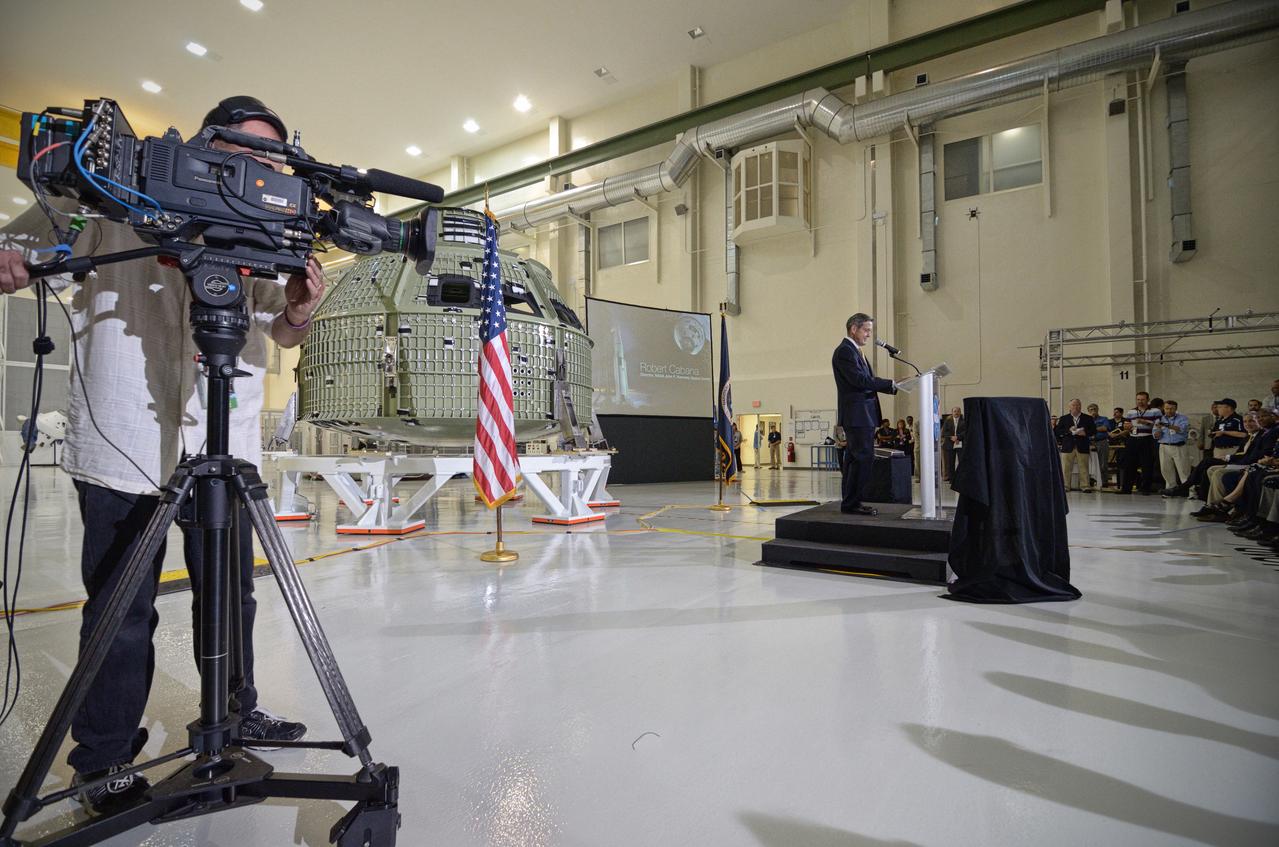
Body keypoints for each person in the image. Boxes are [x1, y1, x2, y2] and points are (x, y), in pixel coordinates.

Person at [0, 96, 319, 815]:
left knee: (230, 597)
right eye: (245, 153)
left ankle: (232, 717)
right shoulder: (115, 195)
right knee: (121, 609)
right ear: (208, 146)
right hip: (124, 443)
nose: (260, 171)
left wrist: (298, 305)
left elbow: (284, 327)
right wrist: (14, 261)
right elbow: (26, 245)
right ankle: (104, 761)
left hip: (223, 443)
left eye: (271, 160)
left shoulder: (267, 229)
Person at [832, 313, 897, 515]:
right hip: (857, 415)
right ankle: (852, 503)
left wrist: (892, 385)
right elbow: (860, 380)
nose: (869, 335)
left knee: (854, 460)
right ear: (854, 328)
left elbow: (865, 379)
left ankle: (850, 502)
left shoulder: (855, 351)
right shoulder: (845, 351)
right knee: (862, 459)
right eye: (866, 330)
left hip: (861, 414)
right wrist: (891, 384)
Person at [1120, 392, 1161, 494]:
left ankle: (1145, 488)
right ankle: (1126, 488)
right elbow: (1126, 424)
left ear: (1148, 400)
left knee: (1147, 464)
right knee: (1129, 464)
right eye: (1138, 399)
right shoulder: (1131, 412)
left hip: (1147, 439)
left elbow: (1160, 424)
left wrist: (1146, 422)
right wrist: (1126, 426)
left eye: (1142, 400)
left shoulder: (1155, 411)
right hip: (1133, 438)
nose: (1140, 402)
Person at [1053, 399, 1095, 492]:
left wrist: (1085, 433)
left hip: (1082, 445)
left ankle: (1085, 486)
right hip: (1068, 446)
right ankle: (1065, 486)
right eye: (1074, 405)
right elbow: (1058, 431)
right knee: (1066, 467)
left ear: (1081, 406)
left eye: (1078, 405)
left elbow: (1093, 430)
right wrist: (1069, 431)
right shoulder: (1064, 418)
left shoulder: (1088, 418)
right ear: (1069, 407)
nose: (1076, 407)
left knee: (1083, 467)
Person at [1154, 399, 1193, 492]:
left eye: (1172, 409)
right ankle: (1170, 490)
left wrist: (1166, 425)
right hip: (1164, 446)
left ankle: (1190, 492)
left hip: (1178, 446)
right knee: (1166, 470)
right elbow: (1156, 435)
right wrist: (1158, 429)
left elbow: (1181, 429)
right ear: (1164, 408)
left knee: (1184, 470)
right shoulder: (1160, 419)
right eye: (1167, 408)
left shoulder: (1182, 418)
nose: (1169, 411)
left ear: (1176, 409)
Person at [1088, 403, 1111, 488]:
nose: (1093, 411)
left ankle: (1104, 482)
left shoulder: (1104, 419)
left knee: (1103, 463)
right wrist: (1098, 429)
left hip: (1102, 442)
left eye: (1095, 409)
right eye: (1091, 410)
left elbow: (1105, 428)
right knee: (1090, 463)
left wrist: (1092, 429)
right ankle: (1091, 481)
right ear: (1088, 411)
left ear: (1098, 410)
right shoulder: (1087, 420)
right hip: (1090, 443)